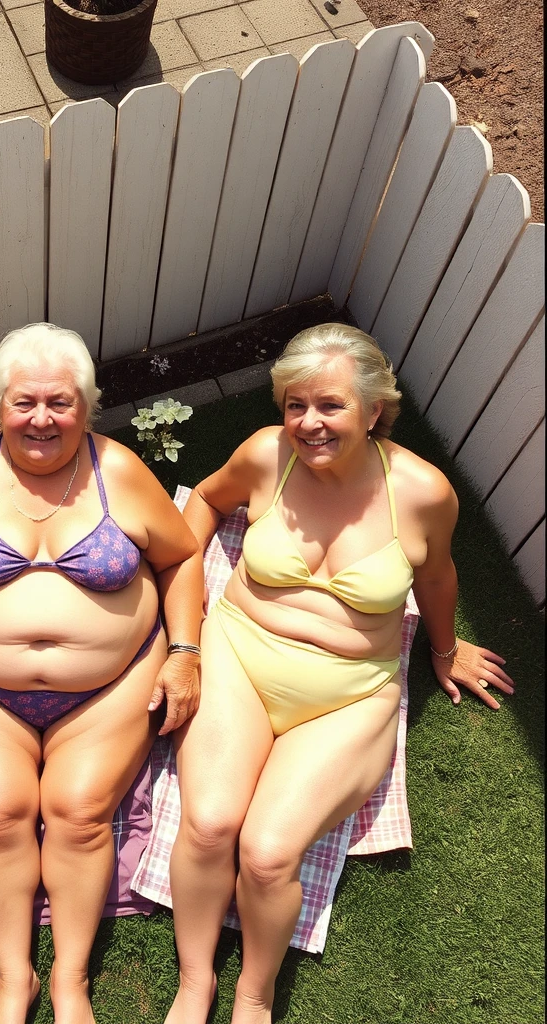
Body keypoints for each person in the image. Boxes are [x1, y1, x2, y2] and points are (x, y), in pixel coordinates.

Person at [165, 324, 514, 1024]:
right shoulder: (267, 456)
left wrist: (444, 652)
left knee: (266, 854)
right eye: (295, 405)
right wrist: (186, 579)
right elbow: (203, 500)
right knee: (207, 826)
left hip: (348, 695)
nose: (308, 424)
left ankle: (254, 993)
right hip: (238, 655)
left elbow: (437, 575)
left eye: (329, 406)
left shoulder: (421, 491)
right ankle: (195, 980)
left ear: (374, 410)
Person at [0, 323, 203, 1024]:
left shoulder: (117, 470)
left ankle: (70, 981)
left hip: (110, 687)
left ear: (86, 407)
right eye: (24, 402)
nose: (41, 419)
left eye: (60, 403)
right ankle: (14, 981)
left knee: (80, 812)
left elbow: (182, 558)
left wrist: (184, 654)